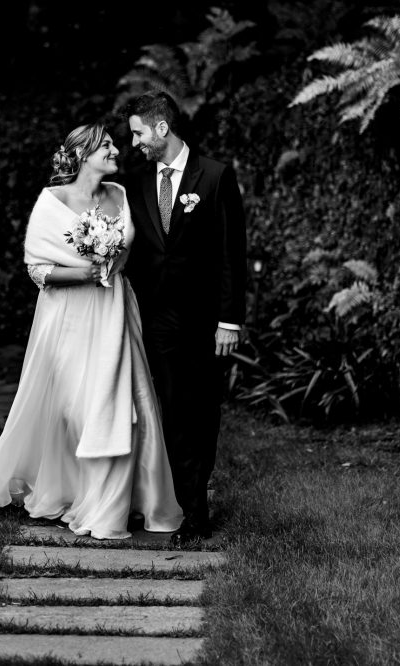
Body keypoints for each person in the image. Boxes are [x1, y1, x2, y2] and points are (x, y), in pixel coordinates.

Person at [0, 123, 183, 540]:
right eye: (106, 146)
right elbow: (37, 270)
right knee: (75, 410)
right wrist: (84, 272)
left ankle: (124, 503)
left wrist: (110, 267)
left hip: (116, 309)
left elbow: (132, 250)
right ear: (82, 155)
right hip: (68, 317)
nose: (117, 150)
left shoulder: (119, 194)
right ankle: (72, 490)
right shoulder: (52, 201)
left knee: (127, 407)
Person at [124, 91, 247, 545]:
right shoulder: (135, 182)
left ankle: (196, 492)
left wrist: (230, 320)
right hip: (159, 319)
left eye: (138, 132)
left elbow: (233, 253)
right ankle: (193, 513)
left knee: (204, 412)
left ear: (161, 128)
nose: (132, 142)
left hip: (206, 320)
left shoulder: (215, 176)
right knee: (174, 411)